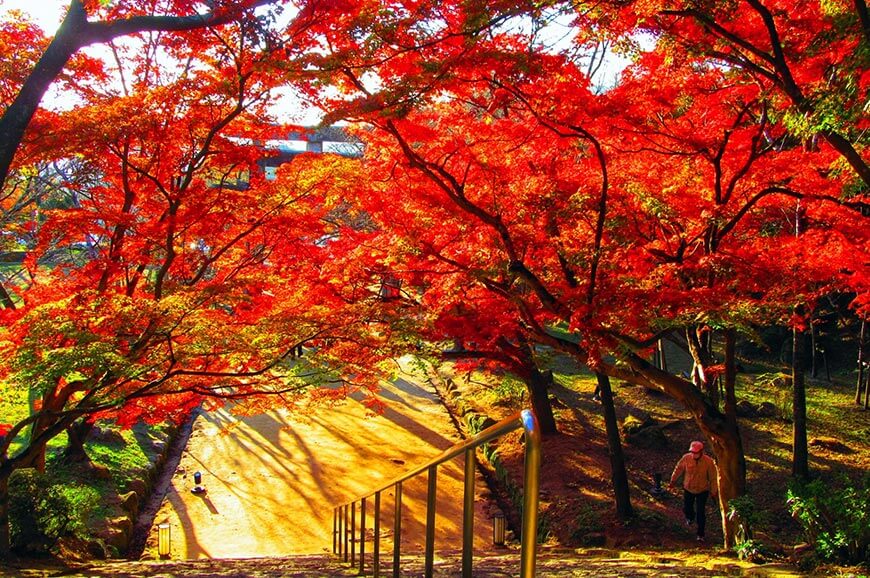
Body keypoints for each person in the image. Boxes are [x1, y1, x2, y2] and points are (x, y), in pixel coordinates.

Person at [669, 440, 719, 543]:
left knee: (701, 512)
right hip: (688, 488)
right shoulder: (686, 458)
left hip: (702, 490)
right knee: (688, 508)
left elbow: (713, 478)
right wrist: (673, 481)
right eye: (692, 452)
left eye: (696, 452)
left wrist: (714, 491)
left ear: (701, 451)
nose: (694, 454)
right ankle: (690, 517)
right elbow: (678, 469)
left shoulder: (709, 462)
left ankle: (700, 534)